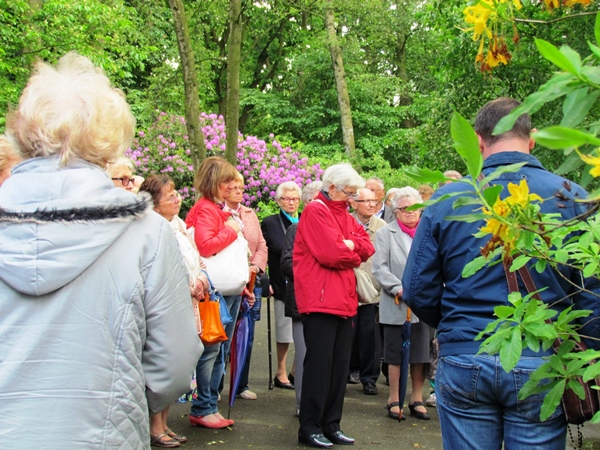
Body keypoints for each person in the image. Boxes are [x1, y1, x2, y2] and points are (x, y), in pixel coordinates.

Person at [0, 52, 202, 449]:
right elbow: (174, 365)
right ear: (109, 143)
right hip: (104, 433)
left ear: (22, 134)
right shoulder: (147, 234)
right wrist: (122, 397)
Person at [402, 97, 600, 449]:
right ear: (533, 138)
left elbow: (417, 289)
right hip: (544, 358)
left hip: (466, 353)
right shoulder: (574, 198)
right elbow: (592, 290)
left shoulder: (448, 200)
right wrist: (588, 358)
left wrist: (454, 327)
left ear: (479, 140)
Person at [294, 163, 375, 449]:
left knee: (339, 367)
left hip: (343, 300)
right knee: (319, 365)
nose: (352, 198)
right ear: (331, 188)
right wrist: (350, 248)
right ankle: (310, 427)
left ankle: (331, 424)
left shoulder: (344, 215)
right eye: (349, 192)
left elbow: (367, 246)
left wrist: (349, 245)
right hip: (320, 299)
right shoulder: (316, 210)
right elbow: (330, 253)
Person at [139, 174, 209, 448]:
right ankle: (155, 426)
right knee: (163, 363)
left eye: (177, 193)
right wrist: (190, 284)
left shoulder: (179, 225)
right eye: (170, 196)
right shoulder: (152, 230)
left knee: (179, 363)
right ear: (154, 205)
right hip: (166, 306)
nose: (178, 198)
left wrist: (202, 277)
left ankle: (165, 423)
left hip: (188, 303)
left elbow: (196, 257)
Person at [185, 156, 247, 429]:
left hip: (225, 289)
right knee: (212, 350)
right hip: (217, 291)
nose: (232, 185)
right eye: (227, 180)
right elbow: (207, 246)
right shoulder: (207, 209)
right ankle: (203, 406)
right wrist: (232, 230)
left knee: (218, 350)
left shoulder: (211, 208)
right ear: (214, 182)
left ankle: (209, 405)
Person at [372, 187, 433, 422]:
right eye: (404, 209)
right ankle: (394, 398)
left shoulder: (428, 234)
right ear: (396, 212)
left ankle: (416, 398)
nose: (409, 212)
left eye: (414, 208)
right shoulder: (385, 233)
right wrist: (400, 288)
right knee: (395, 354)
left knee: (420, 353)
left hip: (424, 303)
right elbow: (380, 267)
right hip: (396, 301)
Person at [223, 172, 268, 401]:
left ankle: (241, 384)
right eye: (233, 187)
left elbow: (261, 244)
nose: (239, 190)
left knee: (246, 333)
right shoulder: (217, 213)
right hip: (226, 282)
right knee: (222, 335)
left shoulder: (250, 214)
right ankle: (216, 386)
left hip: (251, 280)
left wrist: (255, 267)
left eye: (241, 186)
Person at [280, 180, 322, 417]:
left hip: (328, 304)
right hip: (303, 302)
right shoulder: (296, 230)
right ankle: (302, 405)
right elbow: (286, 263)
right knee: (305, 355)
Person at [261, 181, 302, 389]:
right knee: (284, 330)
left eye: (295, 199)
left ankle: (297, 370)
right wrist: (265, 279)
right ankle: (281, 371)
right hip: (280, 282)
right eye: (286, 198)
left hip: (303, 283)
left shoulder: (305, 221)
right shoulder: (270, 223)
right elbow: (264, 251)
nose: (291, 203)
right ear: (278, 200)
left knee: (302, 329)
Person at [348, 188, 387, 396]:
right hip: (347, 290)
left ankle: (369, 378)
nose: (372, 204)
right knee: (347, 336)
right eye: (367, 201)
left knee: (370, 337)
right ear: (354, 204)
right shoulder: (345, 223)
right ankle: (344, 373)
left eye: (374, 200)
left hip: (372, 291)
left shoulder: (382, 228)